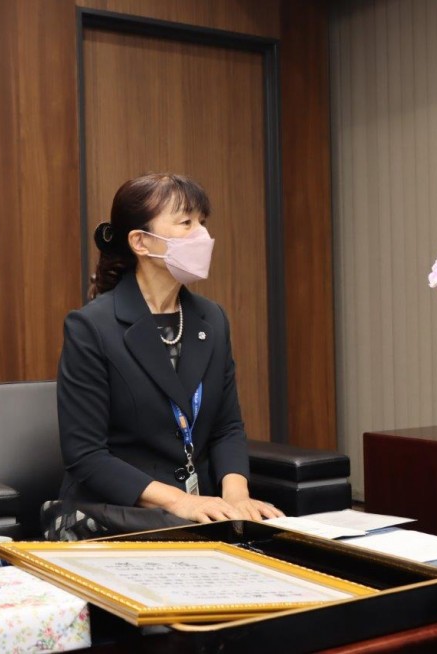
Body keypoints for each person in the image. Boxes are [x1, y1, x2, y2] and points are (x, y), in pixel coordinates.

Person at [45, 173, 283, 540]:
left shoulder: (212, 318)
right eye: (186, 222)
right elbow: (86, 456)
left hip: (198, 512)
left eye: (203, 222)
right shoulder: (91, 327)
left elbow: (227, 427)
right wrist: (179, 502)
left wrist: (238, 497)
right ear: (141, 241)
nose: (202, 235)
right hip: (116, 512)